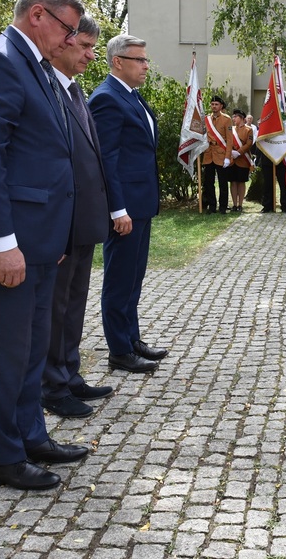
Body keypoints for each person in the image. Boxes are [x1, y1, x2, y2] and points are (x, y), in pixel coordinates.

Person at [0, 0, 89, 491]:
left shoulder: (37, 65)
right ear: (38, 16)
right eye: (68, 29)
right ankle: (5, 458)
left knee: (32, 346)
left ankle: (31, 435)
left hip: (38, 238)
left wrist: (49, 238)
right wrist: (2, 243)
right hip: (8, 240)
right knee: (7, 350)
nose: (72, 41)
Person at [41, 15, 114, 419]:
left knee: (73, 304)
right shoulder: (46, 86)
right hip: (59, 222)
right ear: (63, 41)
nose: (90, 55)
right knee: (55, 307)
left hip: (82, 219)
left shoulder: (74, 91)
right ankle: (51, 384)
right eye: (84, 46)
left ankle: (69, 374)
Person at [88, 34, 169, 374]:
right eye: (140, 60)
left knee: (133, 278)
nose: (146, 66)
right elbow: (106, 159)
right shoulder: (107, 98)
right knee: (119, 280)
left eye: (146, 59)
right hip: (125, 209)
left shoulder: (131, 96)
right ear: (118, 61)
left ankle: (131, 338)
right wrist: (117, 209)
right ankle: (119, 350)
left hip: (141, 203)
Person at [200, 95, 231, 214]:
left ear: (221, 106)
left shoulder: (227, 119)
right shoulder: (206, 119)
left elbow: (229, 140)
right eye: (212, 104)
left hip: (221, 154)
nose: (214, 106)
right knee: (209, 182)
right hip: (208, 154)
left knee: (223, 183)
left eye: (216, 104)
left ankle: (223, 207)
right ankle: (212, 206)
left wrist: (228, 157)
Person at [226, 109, 253, 211]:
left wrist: (239, 152)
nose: (233, 119)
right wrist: (232, 152)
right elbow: (227, 140)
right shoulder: (231, 129)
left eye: (235, 117)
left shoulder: (248, 129)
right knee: (233, 182)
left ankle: (240, 204)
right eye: (233, 117)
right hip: (232, 160)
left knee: (241, 182)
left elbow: (249, 143)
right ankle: (234, 204)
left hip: (243, 160)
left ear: (241, 118)